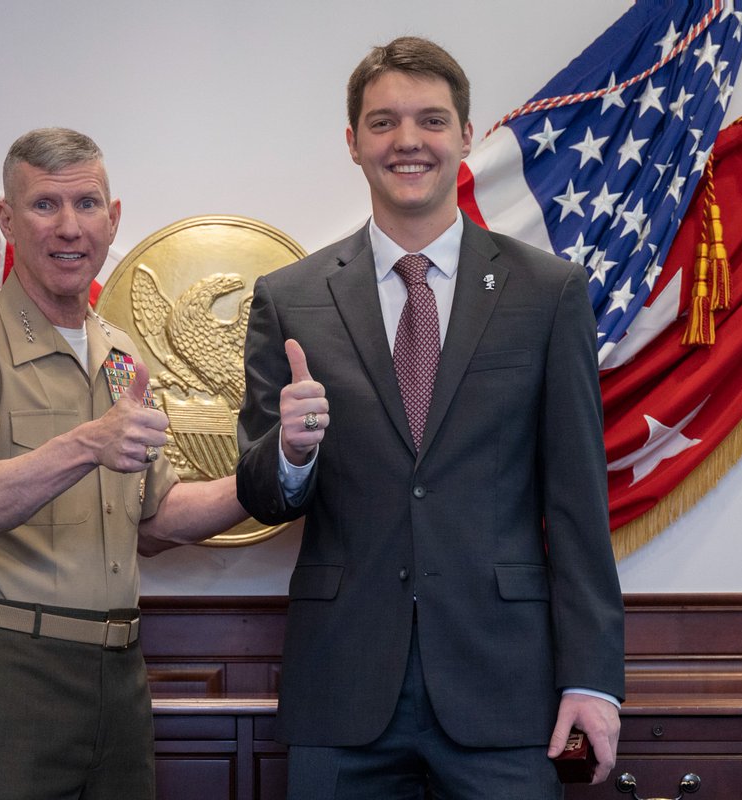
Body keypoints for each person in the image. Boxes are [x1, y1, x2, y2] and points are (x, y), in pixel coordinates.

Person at [236, 37, 625, 799]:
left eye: (430, 121)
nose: (407, 141)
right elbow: (264, 496)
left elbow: (578, 501)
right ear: (352, 143)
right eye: (382, 123)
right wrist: (288, 450)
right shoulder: (290, 297)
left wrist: (592, 677)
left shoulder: (547, 291)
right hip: (341, 688)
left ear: (465, 135)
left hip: (506, 691)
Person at [0, 127, 248, 800]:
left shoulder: (120, 356)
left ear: (113, 219)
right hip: (9, 671)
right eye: (44, 206)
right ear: (6, 220)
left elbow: (157, 515)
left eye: (87, 205)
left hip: (121, 674)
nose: (69, 227)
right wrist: (86, 444)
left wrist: (277, 472)